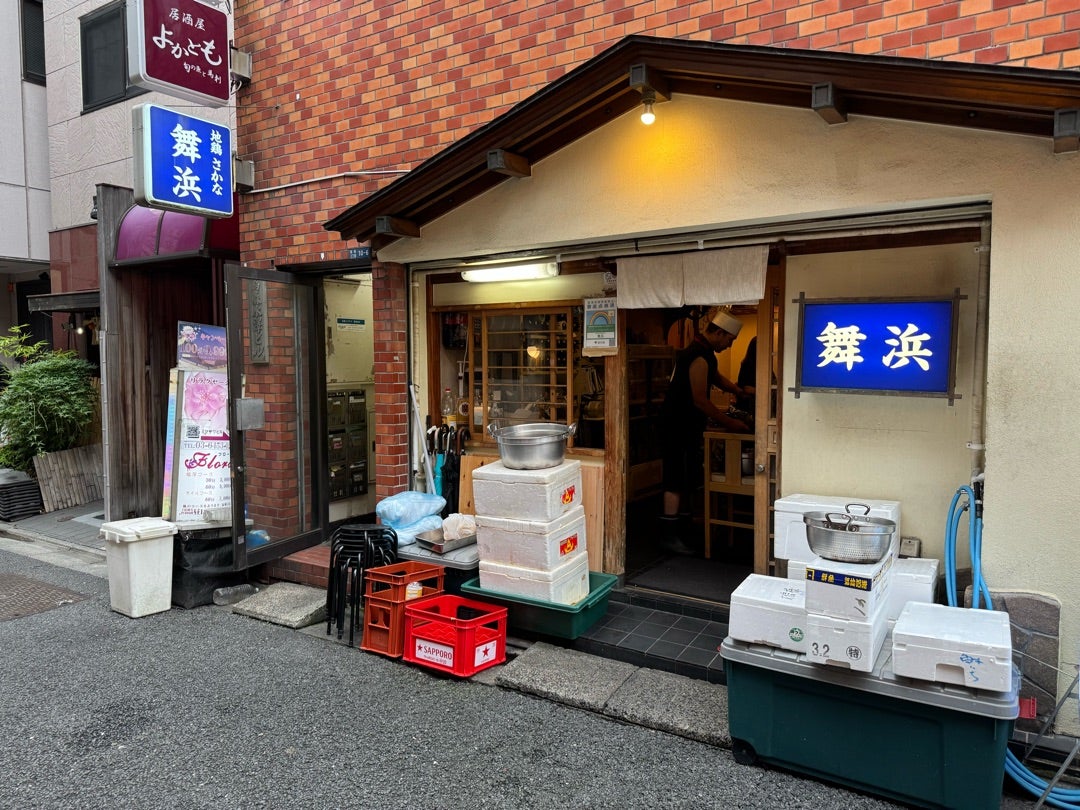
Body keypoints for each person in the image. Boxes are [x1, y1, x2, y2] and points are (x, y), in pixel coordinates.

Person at [658, 307, 750, 555]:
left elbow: (716, 378)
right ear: (719, 333)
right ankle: (669, 536)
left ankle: (684, 527)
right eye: (730, 340)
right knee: (675, 477)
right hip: (678, 424)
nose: (730, 345)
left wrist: (738, 390)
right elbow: (700, 399)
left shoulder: (700, 351)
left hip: (682, 423)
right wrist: (730, 423)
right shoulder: (699, 354)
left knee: (686, 475)